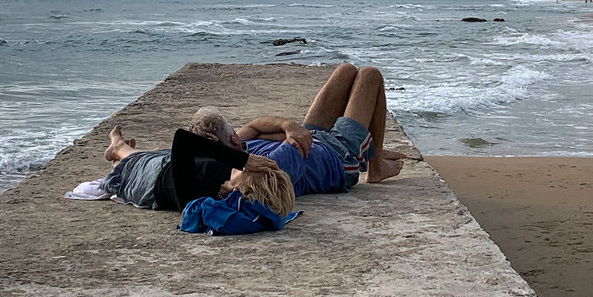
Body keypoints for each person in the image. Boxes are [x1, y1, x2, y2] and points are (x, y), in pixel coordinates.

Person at [231, 63, 406, 197]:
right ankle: (375, 167)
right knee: (370, 75)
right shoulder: (261, 169)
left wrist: (286, 127)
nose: (234, 134)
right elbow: (278, 139)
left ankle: (374, 150)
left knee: (346, 70)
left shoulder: (230, 148)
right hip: (335, 158)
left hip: (313, 140)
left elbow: (252, 126)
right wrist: (275, 132)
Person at [100, 109, 280, 211]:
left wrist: (243, 159)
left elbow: (181, 138)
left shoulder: (194, 199)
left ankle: (118, 148)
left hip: (151, 180)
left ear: (240, 188)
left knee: (136, 161)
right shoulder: (227, 177)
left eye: (244, 171)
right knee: (157, 154)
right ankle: (122, 153)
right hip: (175, 162)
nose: (243, 167)